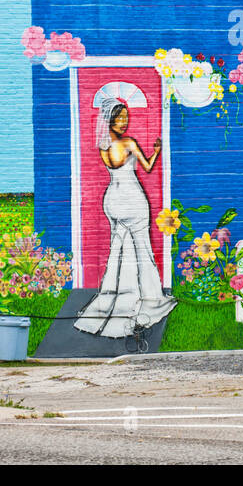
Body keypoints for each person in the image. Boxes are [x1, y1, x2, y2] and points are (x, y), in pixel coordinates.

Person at [74, 97, 176, 337]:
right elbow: (148, 166)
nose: (123, 122)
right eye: (120, 119)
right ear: (110, 120)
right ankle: (150, 296)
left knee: (117, 249)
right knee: (141, 249)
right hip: (132, 197)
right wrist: (157, 151)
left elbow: (113, 168)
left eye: (125, 119)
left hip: (112, 199)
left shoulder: (103, 148)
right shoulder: (129, 142)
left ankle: (112, 294)